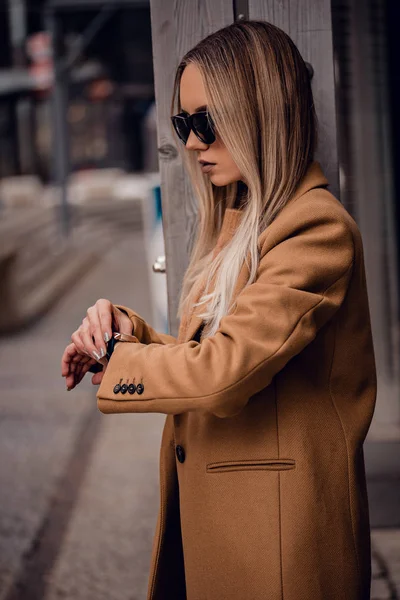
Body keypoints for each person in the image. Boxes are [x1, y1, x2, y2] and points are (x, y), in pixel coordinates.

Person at [61, 20, 377, 600]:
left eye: (205, 122)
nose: (191, 143)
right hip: (230, 527)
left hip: (280, 543)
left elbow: (222, 375)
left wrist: (119, 359)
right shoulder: (244, 222)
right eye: (183, 124)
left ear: (260, 114)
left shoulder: (315, 228)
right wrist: (129, 333)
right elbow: (223, 354)